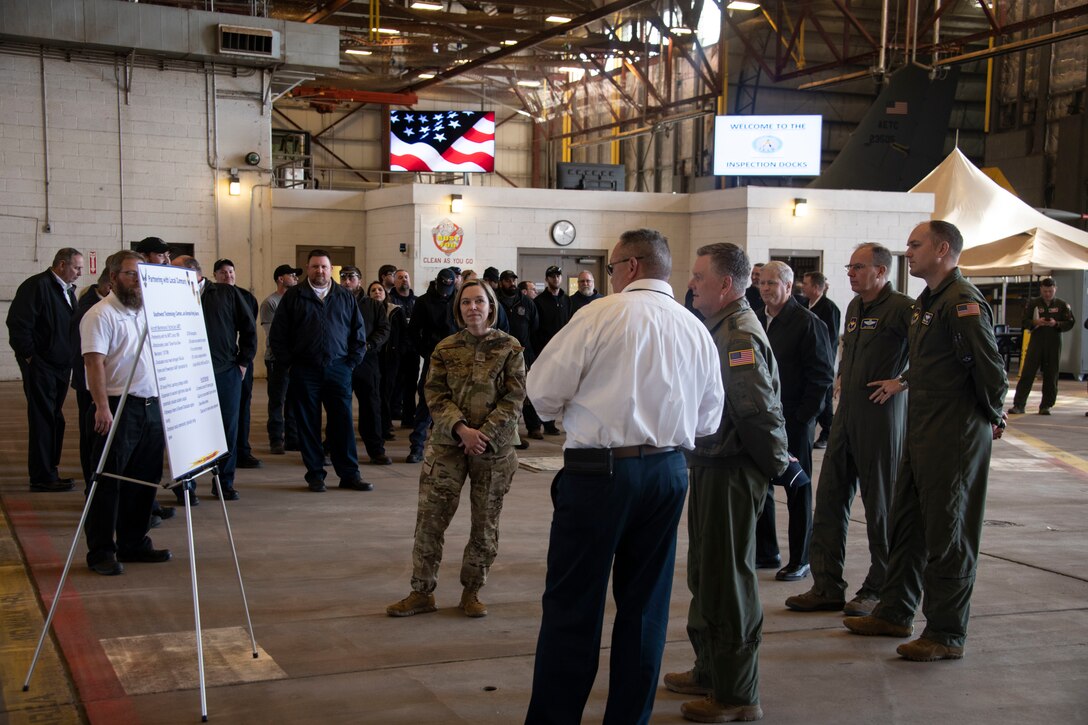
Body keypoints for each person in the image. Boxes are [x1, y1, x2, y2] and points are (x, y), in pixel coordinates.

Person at [525, 229, 724, 725]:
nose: (610, 276)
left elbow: (543, 393)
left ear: (631, 266)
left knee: (574, 605)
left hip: (599, 475)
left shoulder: (598, 314)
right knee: (646, 608)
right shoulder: (694, 326)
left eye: (612, 267)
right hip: (668, 472)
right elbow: (708, 420)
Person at [844, 220, 1008, 662]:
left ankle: (946, 633)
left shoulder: (962, 302)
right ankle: (896, 611)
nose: (908, 251)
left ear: (942, 248)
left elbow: (991, 372)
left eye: (916, 245)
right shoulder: (926, 303)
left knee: (949, 534)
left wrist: (994, 415)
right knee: (909, 526)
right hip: (921, 432)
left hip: (952, 436)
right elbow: (931, 363)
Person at [664, 243, 795, 723]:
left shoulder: (737, 335)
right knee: (706, 571)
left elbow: (758, 411)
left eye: (700, 276)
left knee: (729, 581)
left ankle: (737, 695)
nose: (692, 284)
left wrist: (779, 465)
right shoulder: (716, 327)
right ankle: (710, 668)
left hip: (733, 469)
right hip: (711, 463)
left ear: (725, 285)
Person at [785, 244, 912, 618]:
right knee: (828, 501)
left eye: (858, 267)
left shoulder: (903, 308)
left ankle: (879, 589)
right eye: (849, 266)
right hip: (847, 417)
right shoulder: (855, 308)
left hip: (881, 418)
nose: (851, 273)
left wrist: (902, 381)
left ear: (881, 271)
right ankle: (827, 585)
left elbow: (932, 354)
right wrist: (841, 378)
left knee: (881, 508)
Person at [386, 280, 526, 619]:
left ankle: (472, 591)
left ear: (491, 306)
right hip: (448, 445)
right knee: (430, 521)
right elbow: (433, 395)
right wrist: (462, 429)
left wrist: (485, 434)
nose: (473, 308)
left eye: (479, 301)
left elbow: (515, 397)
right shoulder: (445, 348)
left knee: (485, 524)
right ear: (458, 309)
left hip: (493, 450)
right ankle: (421, 592)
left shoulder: (510, 347)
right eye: (466, 303)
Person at [80, 250, 171, 575]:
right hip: (118, 407)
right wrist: (102, 406)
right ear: (114, 276)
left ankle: (133, 543)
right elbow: (94, 364)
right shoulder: (100, 315)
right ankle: (101, 551)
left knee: (144, 480)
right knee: (108, 481)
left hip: (150, 406)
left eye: (141, 275)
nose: (137, 281)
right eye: (131, 274)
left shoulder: (145, 311)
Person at [754, 261, 834, 581]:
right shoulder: (758, 320)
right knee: (762, 486)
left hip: (794, 422)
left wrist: (803, 419)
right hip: (765, 420)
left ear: (789, 287)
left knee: (797, 489)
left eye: (771, 284)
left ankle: (801, 558)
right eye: (761, 283)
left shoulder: (807, 323)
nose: (764, 289)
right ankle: (767, 551)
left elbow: (822, 376)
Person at [269, 250, 371, 492]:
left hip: (339, 369)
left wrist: (351, 363)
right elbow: (278, 336)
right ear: (308, 268)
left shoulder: (344, 297)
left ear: (330, 269)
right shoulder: (294, 296)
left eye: (324, 267)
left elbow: (358, 332)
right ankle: (315, 474)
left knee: (342, 424)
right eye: (315, 267)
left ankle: (349, 475)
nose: (320, 271)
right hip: (305, 371)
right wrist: (290, 365)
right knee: (308, 424)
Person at [173, 256, 257, 502]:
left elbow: (248, 327)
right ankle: (185, 485)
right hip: (185, 374)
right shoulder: (171, 294)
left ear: (192, 272)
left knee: (226, 428)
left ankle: (224, 482)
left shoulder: (224, 293)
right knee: (186, 430)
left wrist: (243, 362)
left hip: (224, 372)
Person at [7, 247, 83, 492]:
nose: (80, 273)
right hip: (42, 367)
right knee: (42, 420)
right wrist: (31, 358)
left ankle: (50, 470)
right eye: (76, 267)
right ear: (61, 265)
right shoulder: (37, 286)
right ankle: (42, 476)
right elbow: (18, 325)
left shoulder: (67, 291)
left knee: (54, 419)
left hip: (61, 367)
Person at [405, 268, 459, 463]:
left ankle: (455, 447)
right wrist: (425, 352)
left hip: (458, 359)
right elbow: (413, 331)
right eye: (443, 286)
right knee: (426, 403)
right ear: (437, 283)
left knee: (458, 402)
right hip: (433, 358)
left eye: (449, 287)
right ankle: (417, 446)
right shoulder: (423, 302)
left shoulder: (458, 300)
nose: (446, 291)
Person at [214, 258, 262, 469]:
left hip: (240, 362)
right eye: (223, 272)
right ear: (215, 275)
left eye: (231, 271)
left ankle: (243, 450)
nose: (228, 275)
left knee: (242, 406)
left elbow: (248, 330)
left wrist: (244, 362)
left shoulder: (246, 297)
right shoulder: (209, 296)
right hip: (220, 363)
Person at [342, 267, 392, 465]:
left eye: (351, 277)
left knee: (371, 406)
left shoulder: (373, 305)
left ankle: (375, 449)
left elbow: (383, 328)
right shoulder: (333, 302)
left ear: (359, 281)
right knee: (338, 405)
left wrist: (370, 345)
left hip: (367, 360)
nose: (347, 281)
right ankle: (332, 445)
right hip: (341, 361)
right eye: (343, 277)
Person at [1008, 277, 1075, 415]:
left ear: (1055, 289)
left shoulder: (1062, 305)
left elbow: (1070, 322)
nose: (1047, 294)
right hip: (1036, 341)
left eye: (1050, 291)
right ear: (1041, 290)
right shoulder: (1033, 303)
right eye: (1045, 291)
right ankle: (1019, 404)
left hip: (1054, 342)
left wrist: (1056, 324)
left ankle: (1046, 405)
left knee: (1051, 374)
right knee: (1028, 372)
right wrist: (1035, 322)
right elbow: (1024, 321)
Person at [70, 270, 111, 489]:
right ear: (108, 287)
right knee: (93, 439)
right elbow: (91, 360)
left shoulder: (92, 305)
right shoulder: (93, 312)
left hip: (92, 384)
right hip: (91, 386)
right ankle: (92, 488)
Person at [496, 270, 542, 445]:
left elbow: (534, 327)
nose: (511, 283)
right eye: (507, 280)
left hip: (523, 353)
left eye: (514, 280)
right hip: (501, 354)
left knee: (526, 392)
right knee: (506, 394)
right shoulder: (496, 301)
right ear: (501, 283)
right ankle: (510, 432)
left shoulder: (526, 303)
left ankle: (534, 426)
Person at [260, 264, 301, 454]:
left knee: (294, 398)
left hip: (297, 359)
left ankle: (292, 438)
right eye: (291, 275)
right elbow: (273, 334)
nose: (295, 278)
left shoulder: (298, 300)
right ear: (280, 279)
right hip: (277, 359)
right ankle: (276, 439)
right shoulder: (271, 302)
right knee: (277, 400)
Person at [802, 271, 842, 448]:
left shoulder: (829, 308)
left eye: (806, 284)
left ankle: (827, 433)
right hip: (807, 361)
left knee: (825, 398)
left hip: (822, 361)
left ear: (817, 288)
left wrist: (827, 361)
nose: (802, 287)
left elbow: (831, 339)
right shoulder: (805, 304)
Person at [532, 265, 570, 436]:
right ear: (547, 279)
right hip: (544, 351)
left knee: (557, 389)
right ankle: (540, 422)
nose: (556, 279)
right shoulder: (538, 302)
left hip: (563, 351)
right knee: (543, 388)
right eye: (552, 276)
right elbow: (535, 328)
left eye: (558, 276)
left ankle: (550, 423)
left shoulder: (566, 300)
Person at [368, 281, 407, 440]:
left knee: (386, 392)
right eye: (373, 290)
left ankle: (385, 424)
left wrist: (399, 353)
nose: (377, 292)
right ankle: (376, 425)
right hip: (371, 357)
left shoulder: (395, 311)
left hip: (390, 359)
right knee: (374, 393)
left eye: (380, 289)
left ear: (385, 293)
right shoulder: (364, 311)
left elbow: (404, 335)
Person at [388, 269, 418, 424]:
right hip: (395, 349)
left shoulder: (417, 301)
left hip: (412, 349)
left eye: (406, 277)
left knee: (411, 384)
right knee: (395, 382)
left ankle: (409, 415)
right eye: (400, 277)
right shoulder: (389, 300)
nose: (404, 280)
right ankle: (392, 412)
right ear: (394, 281)